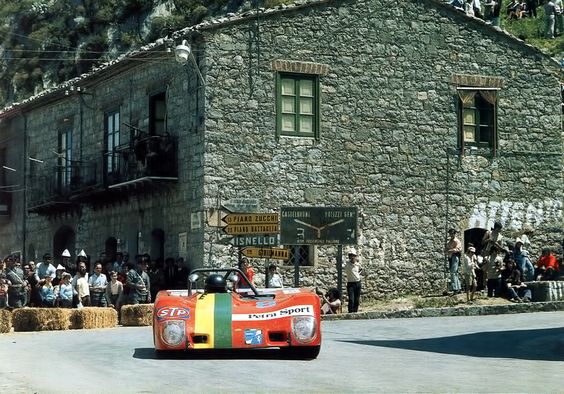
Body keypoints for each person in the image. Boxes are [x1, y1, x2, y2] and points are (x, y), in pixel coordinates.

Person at [445, 228, 462, 295]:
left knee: (453, 272)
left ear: (455, 233)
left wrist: (450, 250)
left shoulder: (457, 241)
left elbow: (458, 249)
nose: (451, 235)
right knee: (455, 273)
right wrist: (447, 251)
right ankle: (458, 288)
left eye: (452, 233)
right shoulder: (449, 242)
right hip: (450, 257)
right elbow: (446, 249)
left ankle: (455, 288)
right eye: (450, 233)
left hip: (455, 257)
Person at [345, 247, 362, 313]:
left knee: (357, 300)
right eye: (351, 256)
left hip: (357, 283)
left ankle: (355, 312)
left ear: (355, 257)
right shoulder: (347, 264)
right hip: (350, 283)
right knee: (351, 299)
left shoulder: (357, 264)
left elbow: (361, 269)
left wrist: (358, 275)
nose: (352, 257)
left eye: (353, 256)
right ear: (349, 257)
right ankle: (350, 311)